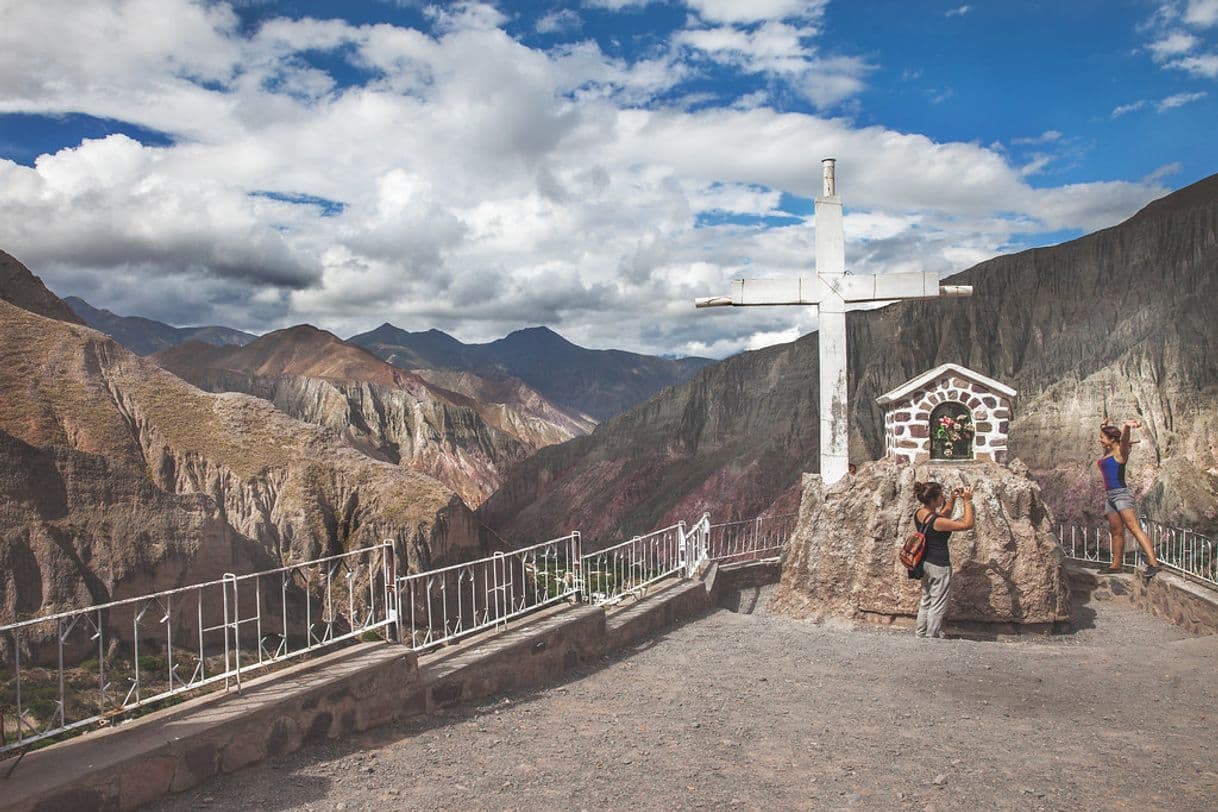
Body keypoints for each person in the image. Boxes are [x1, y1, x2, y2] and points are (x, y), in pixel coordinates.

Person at [1098, 419, 1160, 578]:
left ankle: (1153, 563)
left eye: (1102, 437)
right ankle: (1115, 565)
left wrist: (1126, 426)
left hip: (1121, 495)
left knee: (1134, 527)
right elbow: (1109, 439)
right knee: (1116, 531)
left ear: (1112, 440)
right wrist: (1103, 427)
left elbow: (1124, 439)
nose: (1100, 439)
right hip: (1110, 496)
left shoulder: (1120, 451)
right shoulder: (1108, 451)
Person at [912, 481, 974, 639]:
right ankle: (931, 636)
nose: (943, 498)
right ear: (933, 500)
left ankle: (921, 634)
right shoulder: (938, 522)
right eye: (941, 496)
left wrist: (952, 500)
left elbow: (942, 515)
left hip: (924, 563)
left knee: (926, 600)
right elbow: (967, 524)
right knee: (937, 603)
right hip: (939, 565)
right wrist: (967, 500)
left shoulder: (920, 513)